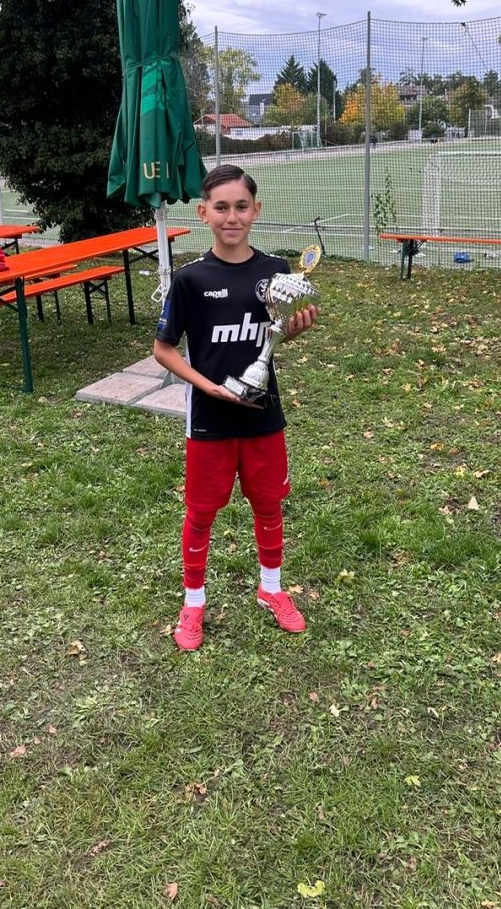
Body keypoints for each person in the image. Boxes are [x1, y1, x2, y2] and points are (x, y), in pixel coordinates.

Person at [153, 164, 319, 651]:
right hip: (210, 419)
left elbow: (272, 337)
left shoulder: (276, 273)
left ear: (256, 210)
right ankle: (193, 602)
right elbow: (163, 350)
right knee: (202, 512)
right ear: (203, 213)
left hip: (263, 413)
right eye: (221, 207)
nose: (232, 217)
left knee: (268, 503)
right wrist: (208, 388)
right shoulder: (190, 279)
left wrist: (293, 330)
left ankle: (271, 589)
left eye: (241, 206)